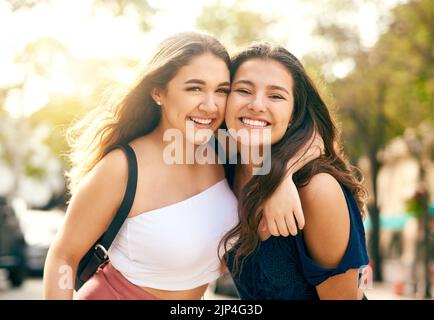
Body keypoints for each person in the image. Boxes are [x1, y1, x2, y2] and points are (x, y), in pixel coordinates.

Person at [43, 32, 319, 300]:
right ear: (158, 91)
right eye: (195, 88)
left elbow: (314, 139)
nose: (210, 106)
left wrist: (281, 176)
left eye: (221, 91)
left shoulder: (224, 149)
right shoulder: (122, 168)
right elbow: (63, 258)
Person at [220, 42, 370, 300]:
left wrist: (280, 176)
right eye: (244, 90)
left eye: (276, 96)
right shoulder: (222, 171)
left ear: (293, 113)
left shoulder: (316, 190)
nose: (257, 105)